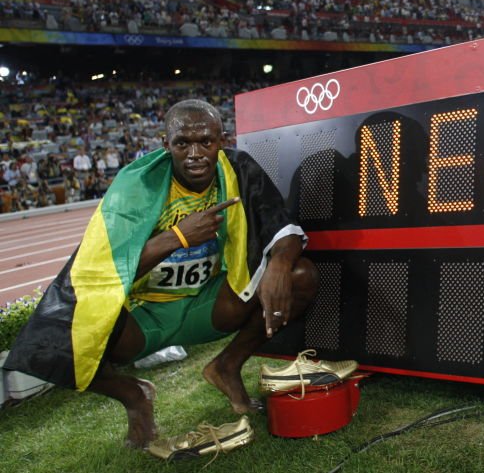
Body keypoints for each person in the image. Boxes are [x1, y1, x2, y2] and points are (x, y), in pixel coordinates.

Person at [5, 99, 317, 450]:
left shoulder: (238, 168)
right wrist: (179, 237)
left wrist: (278, 263)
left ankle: (227, 366)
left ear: (222, 140)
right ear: (165, 143)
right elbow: (105, 269)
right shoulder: (137, 184)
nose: (196, 153)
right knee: (58, 338)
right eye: (183, 143)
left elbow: (284, 228)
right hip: (143, 317)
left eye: (206, 142)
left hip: (209, 303)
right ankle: (133, 395)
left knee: (300, 274)